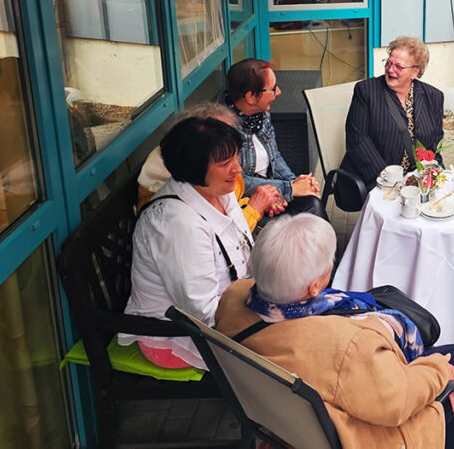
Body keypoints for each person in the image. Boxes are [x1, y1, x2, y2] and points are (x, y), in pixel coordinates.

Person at [214, 213, 454, 449]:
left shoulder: (232, 298)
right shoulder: (348, 346)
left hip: (279, 413)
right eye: (329, 261)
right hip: (360, 434)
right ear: (314, 288)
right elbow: (397, 404)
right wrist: (439, 371)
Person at [120, 117, 255, 368]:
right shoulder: (178, 224)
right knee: (293, 349)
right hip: (177, 338)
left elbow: (245, 252)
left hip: (227, 313)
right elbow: (202, 313)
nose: (237, 168)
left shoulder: (217, 192)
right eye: (226, 163)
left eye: (236, 157)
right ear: (195, 169)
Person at [137, 103, 286, 233]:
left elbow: (229, 208)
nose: (238, 168)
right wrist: (254, 208)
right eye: (221, 141)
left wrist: (258, 203)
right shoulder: (177, 211)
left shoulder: (211, 174)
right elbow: (223, 238)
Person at [336, 36, 444, 207]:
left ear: (416, 71)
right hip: (373, 177)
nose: (390, 69)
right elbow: (357, 140)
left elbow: (435, 141)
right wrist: (389, 179)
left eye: (398, 66)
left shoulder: (433, 97)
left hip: (414, 179)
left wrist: (433, 172)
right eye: (388, 63)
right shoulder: (366, 91)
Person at [223, 58, 326, 223]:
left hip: (272, 187)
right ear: (250, 97)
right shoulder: (223, 130)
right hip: (244, 203)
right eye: (272, 89)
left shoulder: (260, 114)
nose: (278, 92)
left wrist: (297, 183)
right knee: (308, 213)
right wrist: (288, 189)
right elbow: (237, 181)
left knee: (312, 202)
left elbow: (275, 156)